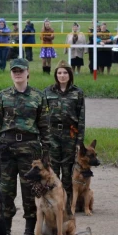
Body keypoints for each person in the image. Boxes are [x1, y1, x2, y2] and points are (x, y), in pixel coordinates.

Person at [0, 58, 50, 235]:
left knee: (30, 190)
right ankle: (5, 229)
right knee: (6, 191)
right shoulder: (3, 96)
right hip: (7, 148)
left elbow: (45, 126)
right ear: (11, 74)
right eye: (14, 71)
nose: (17, 74)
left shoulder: (38, 97)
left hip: (29, 148)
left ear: (28, 73)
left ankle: (29, 230)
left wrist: (46, 153)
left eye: (21, 71)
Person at [44, 60, 85, 211]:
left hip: (70, 135)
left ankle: (67, 206)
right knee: (53, 170)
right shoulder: (47, 92)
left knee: (68, 171)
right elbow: (42, 115)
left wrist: (79, 141)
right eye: (59, 73)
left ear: (70, 75)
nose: (62, 76)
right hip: (52, 134)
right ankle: (53, 203)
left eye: (65, 73)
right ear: (56, 75)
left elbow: (81, 118)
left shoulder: (77, 93)